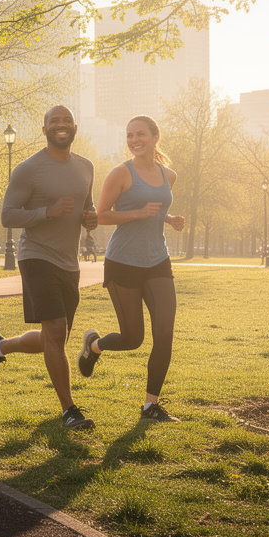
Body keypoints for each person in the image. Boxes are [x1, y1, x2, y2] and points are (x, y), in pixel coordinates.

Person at [0, 106, 99, 430]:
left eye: (65, 121)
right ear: (43, 128)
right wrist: (48, 211)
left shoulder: (86, 167)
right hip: (36, 255)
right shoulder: (28, 169)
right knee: (57, 333)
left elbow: (88, 208)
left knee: (52, 338)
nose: (60, 126)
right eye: (53, 122)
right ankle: (69, 412)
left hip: (68, 262)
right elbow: (8, 216)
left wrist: (92, 218)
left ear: (75, 126)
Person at [78, 115, 186, 423]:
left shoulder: (169, 175)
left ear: (155, 137)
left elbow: (157, 207)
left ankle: (150, 406)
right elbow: (100, 216)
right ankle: (94, 345)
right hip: (123, 260)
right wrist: (139, 213)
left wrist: (169, 219)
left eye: (140, 134)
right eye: (129, 135)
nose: (134, 139)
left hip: (158, 260)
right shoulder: (120, 173)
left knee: (164, 331)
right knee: (132, 338)